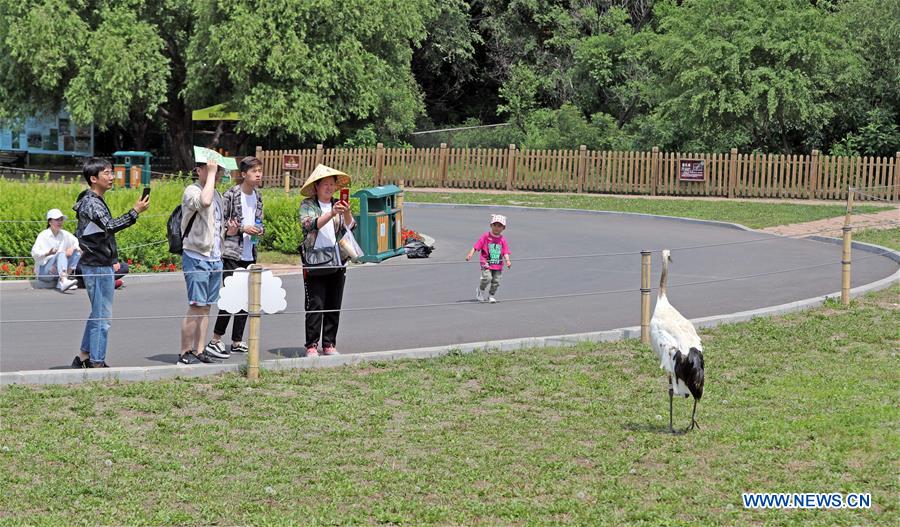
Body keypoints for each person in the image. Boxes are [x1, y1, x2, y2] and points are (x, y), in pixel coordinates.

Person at [72, 158, 150, 368]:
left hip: (100, 263)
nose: (111, 177)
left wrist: (114, 259)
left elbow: (103, 233)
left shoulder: (94, 199)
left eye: (111, 172)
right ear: (93, 178)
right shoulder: (91, 202)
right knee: (102, 317)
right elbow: (110, 226)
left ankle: (83, 357)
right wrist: (135, 212)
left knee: (97, 312)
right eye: (107, 173)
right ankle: (97, 363)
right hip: (96, 265)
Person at [178, 160, 237, 365]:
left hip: (215, 257)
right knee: (196, 305)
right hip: (196, 255)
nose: (218, 173)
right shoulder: (191, 190)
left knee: (206, 307)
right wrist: (210, 174)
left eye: (218, 170)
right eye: (213, 169)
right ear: (199, 170)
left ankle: (199, 349)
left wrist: (229, 231)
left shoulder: (218, 195)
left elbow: (216, 224)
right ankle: (185, 352)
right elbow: (204, 202)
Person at [204, 156, 264, 358]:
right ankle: (216, 339)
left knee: (247, 298)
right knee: (231, 296)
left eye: (260, 171)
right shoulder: (231, 194)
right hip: (232, 252)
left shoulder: (258, 196)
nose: (258, 174)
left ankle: (237, 341)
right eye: (254, 171)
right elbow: (223, 224)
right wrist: (242, 228)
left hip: (250, 252)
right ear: (244, 174)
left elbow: (258, 219)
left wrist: (258, 229)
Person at [299, 164, 355, 357]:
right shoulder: (308, 205)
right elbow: (308, 225)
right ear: (316, 187)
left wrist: (346, 211)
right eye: (325, 184)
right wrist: (331, 213)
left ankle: (329, 343)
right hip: (315, 261)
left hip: (338, 259)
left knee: (334, 303)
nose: (329, 188)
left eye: (332, 184)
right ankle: (312, 345)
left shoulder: (338, 203)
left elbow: (350, 227)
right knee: (315, 303)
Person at [465, 214, 512, 303]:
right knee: (487, 278)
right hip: (486, 262)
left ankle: (491, 295)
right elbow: (476, 246)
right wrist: (470, 254)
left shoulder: (502, 239)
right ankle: (480, 290)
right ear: (491, 225)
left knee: (496, 281)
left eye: (499, 226)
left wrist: (508, 261)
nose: (496, 228)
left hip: (498, 264)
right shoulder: (486, 237)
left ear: (503, 228)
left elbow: (505, 252)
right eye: (495, 225)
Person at [31, 208, 81, 292]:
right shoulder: (43, 235)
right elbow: (34, 253)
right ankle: (63, 280)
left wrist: (72, 248)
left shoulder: (65, 234)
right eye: (57, 220)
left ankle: (62, 281)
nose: (60, 222)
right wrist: (47, 253)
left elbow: (76, 242)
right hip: (44, 272)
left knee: (77, 252)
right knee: (61, 253)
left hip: (57, 270)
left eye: (61, 220)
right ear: (50, 222)